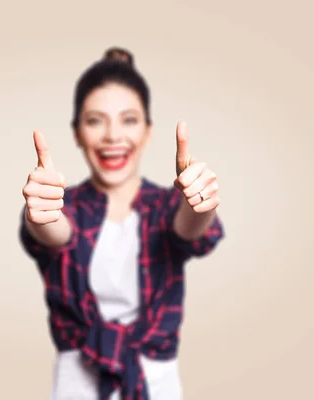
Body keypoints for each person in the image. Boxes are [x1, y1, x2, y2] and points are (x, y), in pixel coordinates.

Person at [19, 47, 224, 400]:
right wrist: (41, 213)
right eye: (95, 120)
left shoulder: (165, 206)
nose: (113, 136)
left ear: (147, 131)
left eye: (128, 119)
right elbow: (56, 234)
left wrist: (200, 205)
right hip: (77, 385)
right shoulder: (68, 205)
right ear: (77, 133)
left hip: (155, 382)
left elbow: (189, 230)